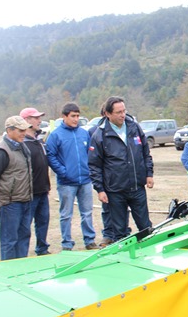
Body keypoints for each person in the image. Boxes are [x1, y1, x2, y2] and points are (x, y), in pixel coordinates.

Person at [88, 96, 155, 244]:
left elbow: (145, 152)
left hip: (137, 187)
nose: (122, 115)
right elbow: (94, 165)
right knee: (120, 232)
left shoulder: (134, 128)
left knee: (146, 228)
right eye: (118, 112)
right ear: (108, 114)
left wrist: (149, 173)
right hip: (115, 191)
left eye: (124, 111)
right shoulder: (99, 135)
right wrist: (100, 189)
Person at [46, 102, 98, 251]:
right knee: (66, 215)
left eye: (77, 116)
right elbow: (51, 155)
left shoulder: (83, 133)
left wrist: (89, 170)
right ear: (64, 116)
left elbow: (90, 152)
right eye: (73, 116)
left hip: (85, 180)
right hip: (66, 183)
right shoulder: (55, 135)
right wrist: (63, 171)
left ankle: (89, 240)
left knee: (87, 212)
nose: (76, 119)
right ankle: (67, 243)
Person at [0, 116, 33, 260]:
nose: (24, 133)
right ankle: (8, 273)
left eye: (25, 130)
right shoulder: (1, 152)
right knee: (9, 241)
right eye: (20, 130)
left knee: (24, 238)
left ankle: (20, 269)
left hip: (25, 201)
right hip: (10, 204)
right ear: (9, 130)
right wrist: (3, 197)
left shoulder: (23, 147)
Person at [20, 107, 51, 255]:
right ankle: (22, 254)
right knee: (25, 226)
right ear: (26, 120)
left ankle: (42, 249)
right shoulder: (22, 143)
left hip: (43, 190)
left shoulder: (39, 140)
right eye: (36, 118)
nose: (39, 121)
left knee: (43, 222)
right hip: (29, 193)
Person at [87, 104, 113, 248]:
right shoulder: (94, 131)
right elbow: (92, 158)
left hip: (118, 177)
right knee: (107, 208)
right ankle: (108, 234)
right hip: (104, 177)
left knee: (122, 207)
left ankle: (123, 232)